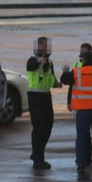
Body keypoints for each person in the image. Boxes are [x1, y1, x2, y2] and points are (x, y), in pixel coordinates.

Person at [26, 36, 60, 170]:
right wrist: (38, 61)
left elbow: (51, 78)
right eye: (43, 46)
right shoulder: (33, 60)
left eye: (47, 46)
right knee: (39, 127)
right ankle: (38, 159)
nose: (46, 49)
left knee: (48, 125)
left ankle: (37, 154)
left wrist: (57, 84)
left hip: (46, 96)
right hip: (35, 97)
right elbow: (30, 67)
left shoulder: (50, 63)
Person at [67, 43, 92, 165]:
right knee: (84, 135)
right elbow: (72, 85)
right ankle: (85, 158)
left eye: (83, 53)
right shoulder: (77, 66)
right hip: (81, 106)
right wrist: (69, 102)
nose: (81, 55)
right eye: (80, 53)